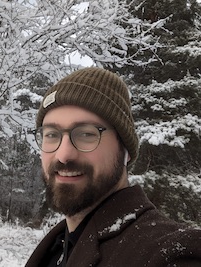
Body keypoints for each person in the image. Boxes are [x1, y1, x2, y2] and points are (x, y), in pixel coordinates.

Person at [25, 67, 201, 267]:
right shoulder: (56, 247)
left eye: (86, 134)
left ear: (124, 149)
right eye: (51, 135)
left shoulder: (170, 253)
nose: (63, 155)